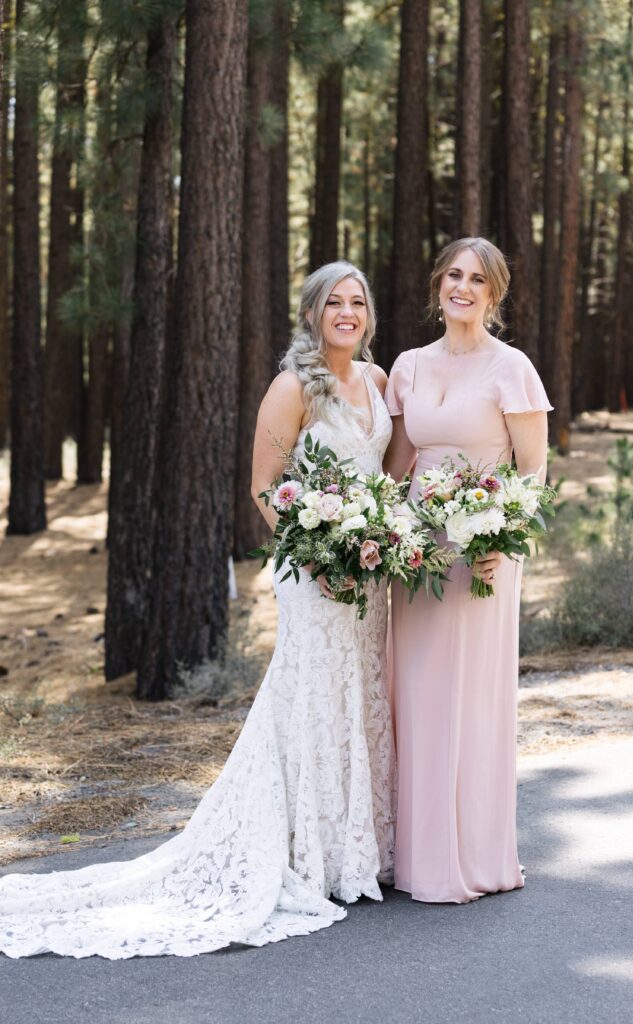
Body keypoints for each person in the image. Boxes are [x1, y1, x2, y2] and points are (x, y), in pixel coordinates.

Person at [0, 262, 395, 959]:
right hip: (313, 571)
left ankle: (350, 851)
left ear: (368, 314)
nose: (346, 312)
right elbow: (264, 487)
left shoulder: (379, 380)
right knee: (309, 694)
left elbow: (384, 474)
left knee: (358, 697)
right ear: (312, 313)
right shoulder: (292, 387)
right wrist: (318, 554)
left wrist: (379, 539)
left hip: (367, 573)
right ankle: (299, 853)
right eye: (333, 301)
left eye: (356, 301)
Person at [383, 237, 552, 904]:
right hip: (417, 553)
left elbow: (532, 471)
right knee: (417, 692)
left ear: (493, 293)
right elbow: (397, 465)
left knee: (469, 698)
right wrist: (370, 532)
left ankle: (474, 857)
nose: (462, 287)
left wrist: (505, 539)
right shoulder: (407, 366)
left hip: (481, 551)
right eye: (453, 274)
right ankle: (416, 855)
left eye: (477, 279)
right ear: (438, 284)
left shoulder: (511, 368)